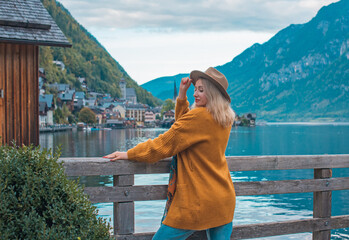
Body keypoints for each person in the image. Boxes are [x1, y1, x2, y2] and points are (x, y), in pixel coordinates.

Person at [104, 67, 236, 240]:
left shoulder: (198, 118)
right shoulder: (224, 118)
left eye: (201, 90)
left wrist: (129, 154)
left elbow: (164, 144)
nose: (195, 93)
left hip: (197, 202)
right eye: (195, 89)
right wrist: (182, 96)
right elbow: (184, 130)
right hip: (223, 200)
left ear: (212, 94)